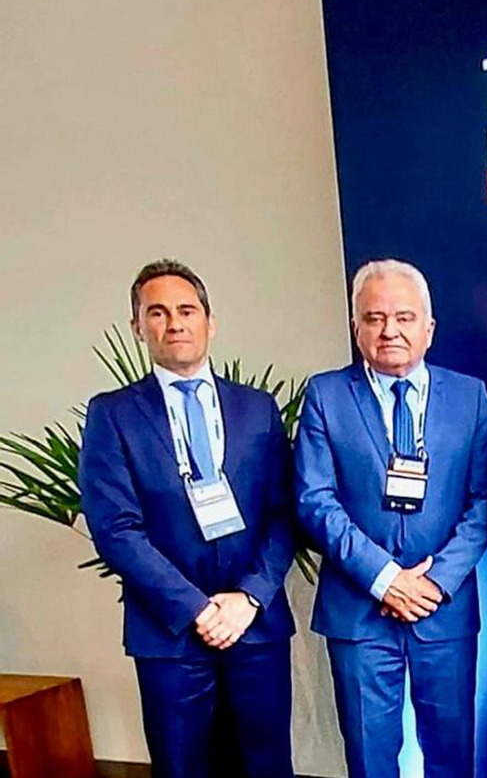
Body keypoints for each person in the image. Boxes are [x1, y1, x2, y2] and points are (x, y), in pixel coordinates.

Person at [78, 260, 297, 778]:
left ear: (209, 321)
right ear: (137, 327)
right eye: (156, 312)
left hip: (255, 625)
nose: (174, 323)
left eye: (186, 310)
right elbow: (114, 529)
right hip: (169, 632)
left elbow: (284, 513)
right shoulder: (112, 414)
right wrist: (197, 610)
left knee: (267, 766)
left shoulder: (257, 408)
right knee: (182, 768)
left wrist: (248, 598)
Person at [293, 259, 487, 778]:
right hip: (359, 613)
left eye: (404, 317)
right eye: (374, 317)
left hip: (442, 610)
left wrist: (433, 581)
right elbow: (315, 500)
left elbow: (483, 501)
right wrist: (385, 580)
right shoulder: (325, 395)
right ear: (356, 327)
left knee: (452, 754)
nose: (390, 331)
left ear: (428, 328)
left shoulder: (470, 396)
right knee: (369, 757)